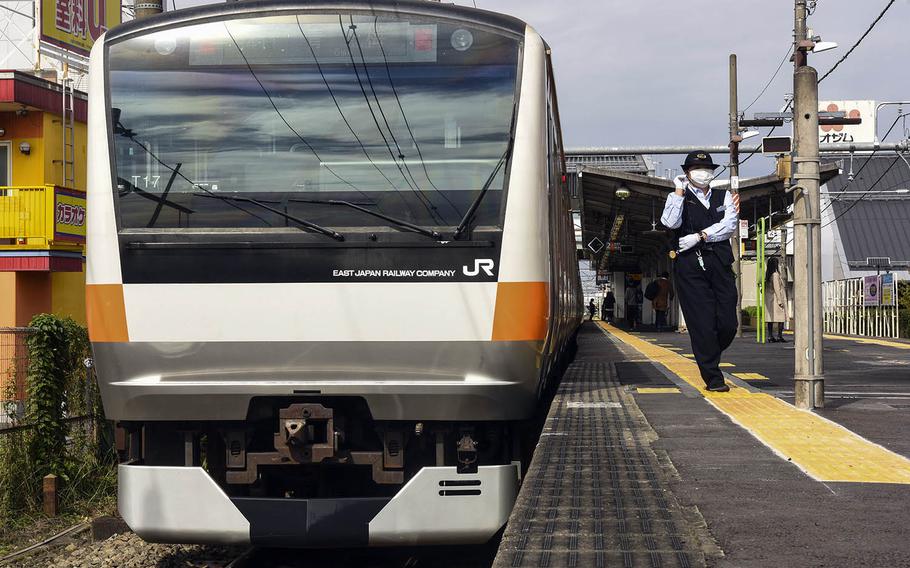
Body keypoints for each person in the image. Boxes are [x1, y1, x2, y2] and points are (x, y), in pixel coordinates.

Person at [660, 151, 739, 392]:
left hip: (720, 262)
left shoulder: (724, 196)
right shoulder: (677, 198)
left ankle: (708, 351)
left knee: (728, 322)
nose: (702, 172)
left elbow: (730, 225)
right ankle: (714, 378)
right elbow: (670, 223)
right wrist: (678, 193)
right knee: (702, 323)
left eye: (706, 168)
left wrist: (701, 236)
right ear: (686, 173)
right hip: (690, 266)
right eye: (696, 168)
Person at [764, 256, 788, 343]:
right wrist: (779, 300)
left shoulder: (768, 275)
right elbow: (777, 288)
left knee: (771, 318)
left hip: (770, 299)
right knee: (781, 318)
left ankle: (770, 336)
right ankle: (779, 336)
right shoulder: (775, 275)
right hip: (776, 299)